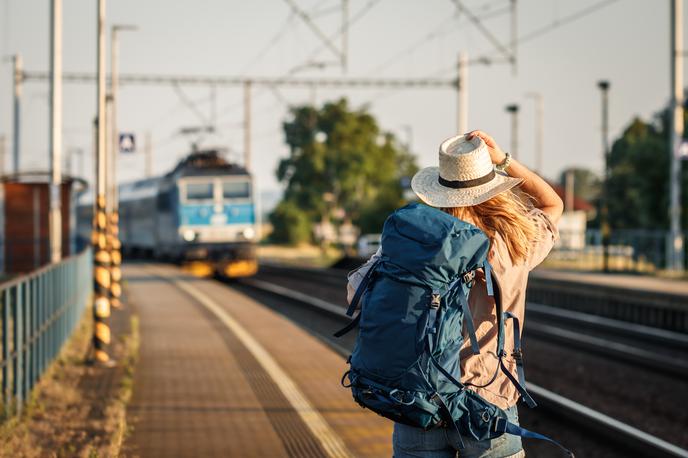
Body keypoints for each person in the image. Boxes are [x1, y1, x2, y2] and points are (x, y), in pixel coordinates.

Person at [346, 131, 563, 458]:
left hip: (417, 400)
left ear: (438, 192)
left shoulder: (413, 245)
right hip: (487, 402)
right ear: (492, 188)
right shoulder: (516, 241)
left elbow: (355, 294)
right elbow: (552, 203)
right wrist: (504, 160)